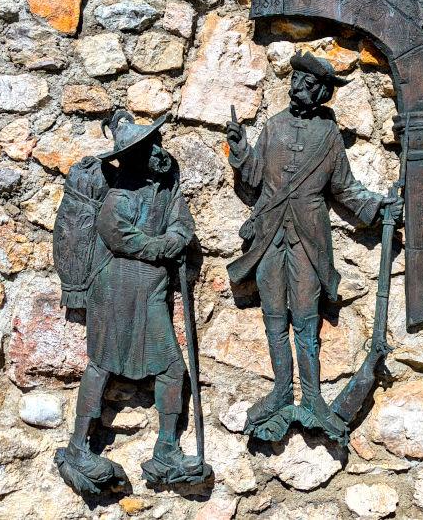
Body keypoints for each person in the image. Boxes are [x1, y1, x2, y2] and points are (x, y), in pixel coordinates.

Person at [225, 50, 403, 442]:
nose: (297, 88)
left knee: (306, 318)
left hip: (308, 238)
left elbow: (343, 187)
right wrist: (240, 148)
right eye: (294, 81)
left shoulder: (328, 136)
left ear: (321, 92)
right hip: (270, 234)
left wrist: (377, 206)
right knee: (274, 316)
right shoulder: (272, 127)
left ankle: (312, 397)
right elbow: (254, 178)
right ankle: (280, 390)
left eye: (306, 84)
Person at [57, 112, 209, 490]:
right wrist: (162, 245)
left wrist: (175, 238)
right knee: (102, 364)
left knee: (172, 367)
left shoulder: (164, 189)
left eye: (155, 143)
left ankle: (166, 448)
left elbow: (183, 224)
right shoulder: (119, 195)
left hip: (151, 288)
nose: (157, 149)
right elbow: (119, 236)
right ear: (132, 155)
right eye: (147, 145)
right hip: (116, 289)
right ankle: (78, 446)